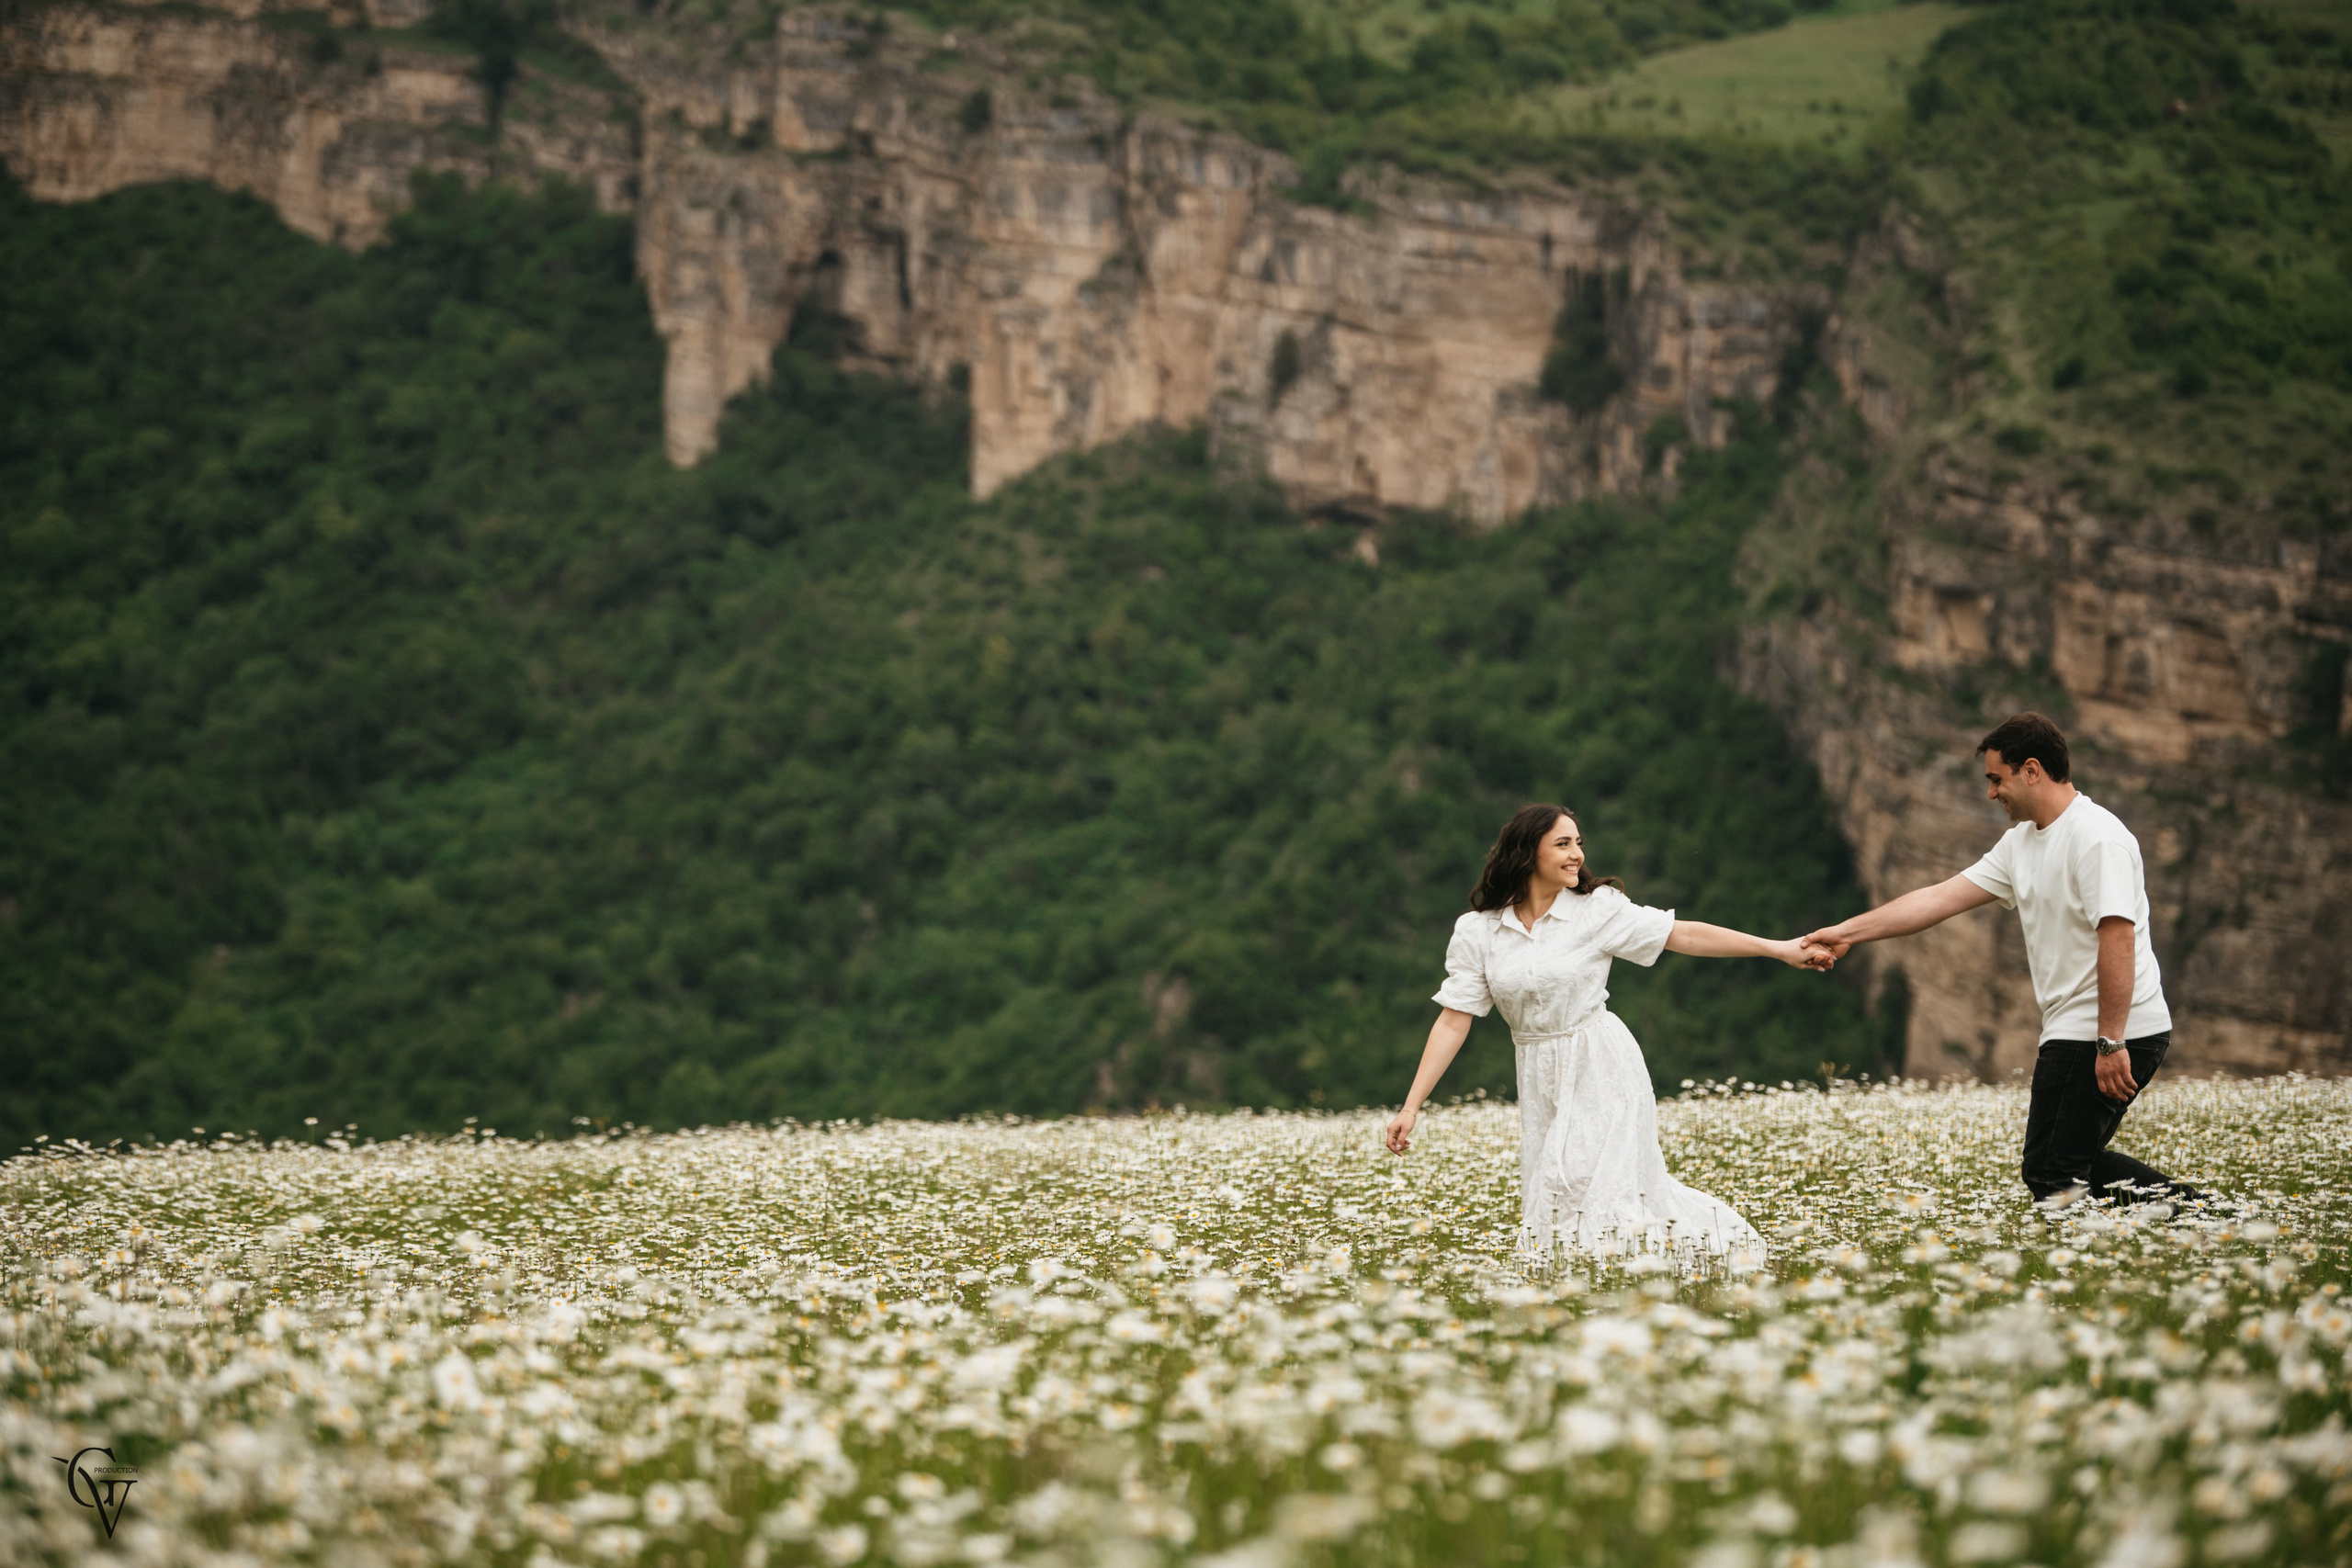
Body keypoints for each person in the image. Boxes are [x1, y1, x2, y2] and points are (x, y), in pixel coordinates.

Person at [1801, 712, 2203, 1210]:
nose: (1991, 793)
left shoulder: (2098, 838)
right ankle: (2200, 1221)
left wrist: (2110, 1040)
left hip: (2112, 1029)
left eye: (1997, 779)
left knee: (2053, 1170)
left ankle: (2206, 1221)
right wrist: (1846, 933)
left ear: (2031, 770)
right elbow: (1938, 899)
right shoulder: (2020, 843)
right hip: (2076, 1028)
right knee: (2060, 1166)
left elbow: (2119, 939)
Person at [1383, 803, 1815, 1261]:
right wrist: (1412, 1106)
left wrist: (1778, 949)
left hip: (1601, 1062)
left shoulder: (1596, 910)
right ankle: (1601, 1279)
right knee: (1557, 1191)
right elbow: (1454, 1019)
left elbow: (1682, 935)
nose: (1577, 855)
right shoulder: (1479, 931)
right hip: (1538, 1075)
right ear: (1527, 853)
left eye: (1578, 843)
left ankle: (1634, 1276)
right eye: (1562, 844)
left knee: (1592, 1183)